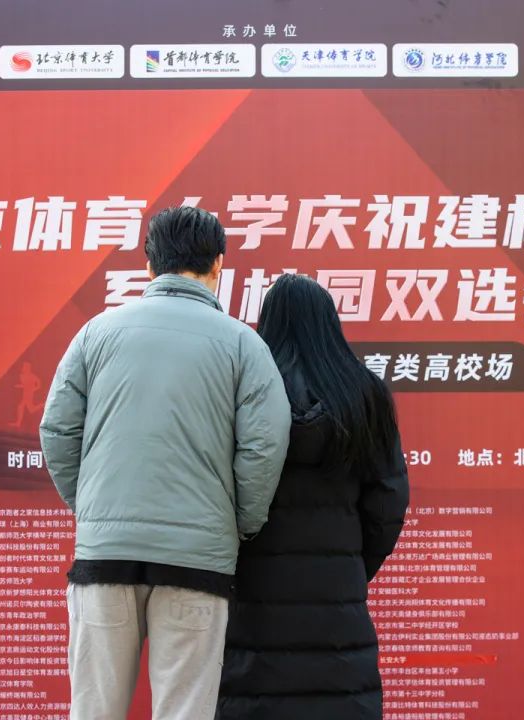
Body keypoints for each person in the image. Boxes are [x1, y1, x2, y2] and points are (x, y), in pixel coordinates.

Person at [40, 206, 291, 720]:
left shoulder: (95, 333)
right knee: (185, 711)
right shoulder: (244, 345)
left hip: (105, 555)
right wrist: (239, 523)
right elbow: (264, 446)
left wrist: (92, 509)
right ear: (218, 263)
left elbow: (58, 430)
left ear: (149, 265)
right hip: (198, 559)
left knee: (94, 710)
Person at [217, 273, 410, 720]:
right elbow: (388, 502)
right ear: (329, 326)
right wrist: (350, 567)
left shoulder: (241, 394)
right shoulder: (364, 394)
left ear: (268, 327)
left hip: (254, 599)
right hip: (337, 606)